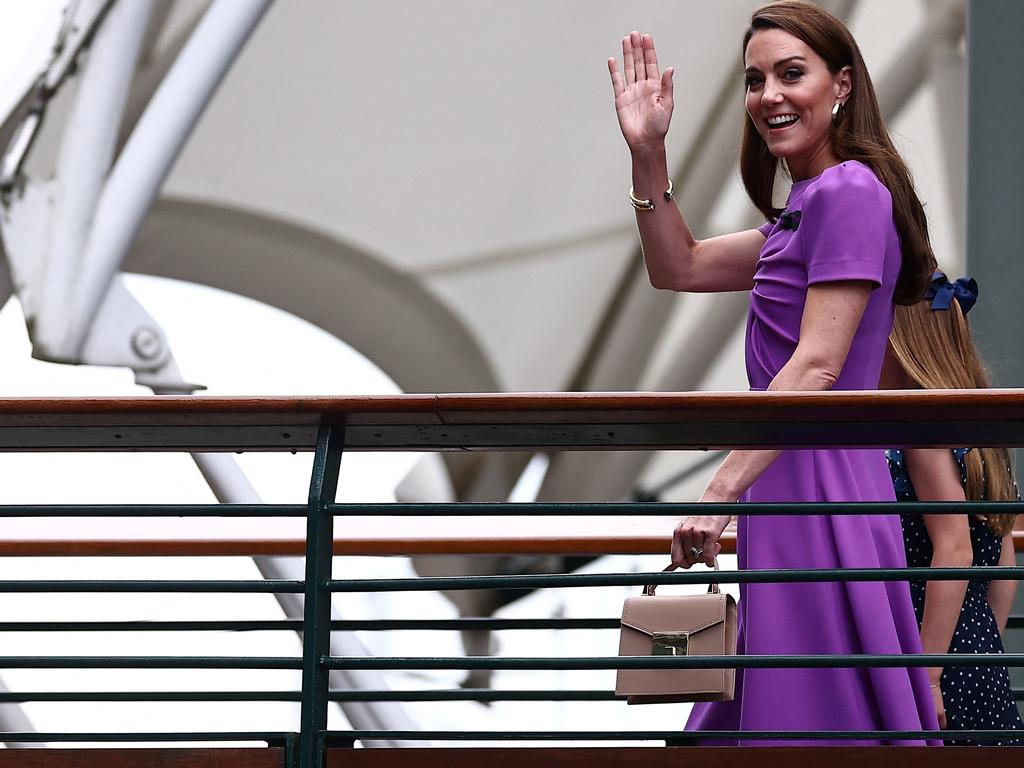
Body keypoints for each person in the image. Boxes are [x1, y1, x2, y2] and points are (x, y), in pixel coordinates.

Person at [608, 1, 939, 745]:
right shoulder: (804, 210)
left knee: (809, 706)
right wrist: (647, 151)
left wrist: (721, 490)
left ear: (843, 85)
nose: (769, 96)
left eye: (792, 73)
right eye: (755, 81)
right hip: (791, 473)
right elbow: (679, 267)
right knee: (788, 697)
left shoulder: (850, 192)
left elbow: (818, 367)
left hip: (815, 476)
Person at [882, 271, 1023, 745]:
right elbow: (1002, 561)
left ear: (905, 348)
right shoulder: (980, 431)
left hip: (931, 648)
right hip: (979, 649)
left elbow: (954, 547)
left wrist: (930, 675)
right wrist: (981, 645)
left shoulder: (918, 426)